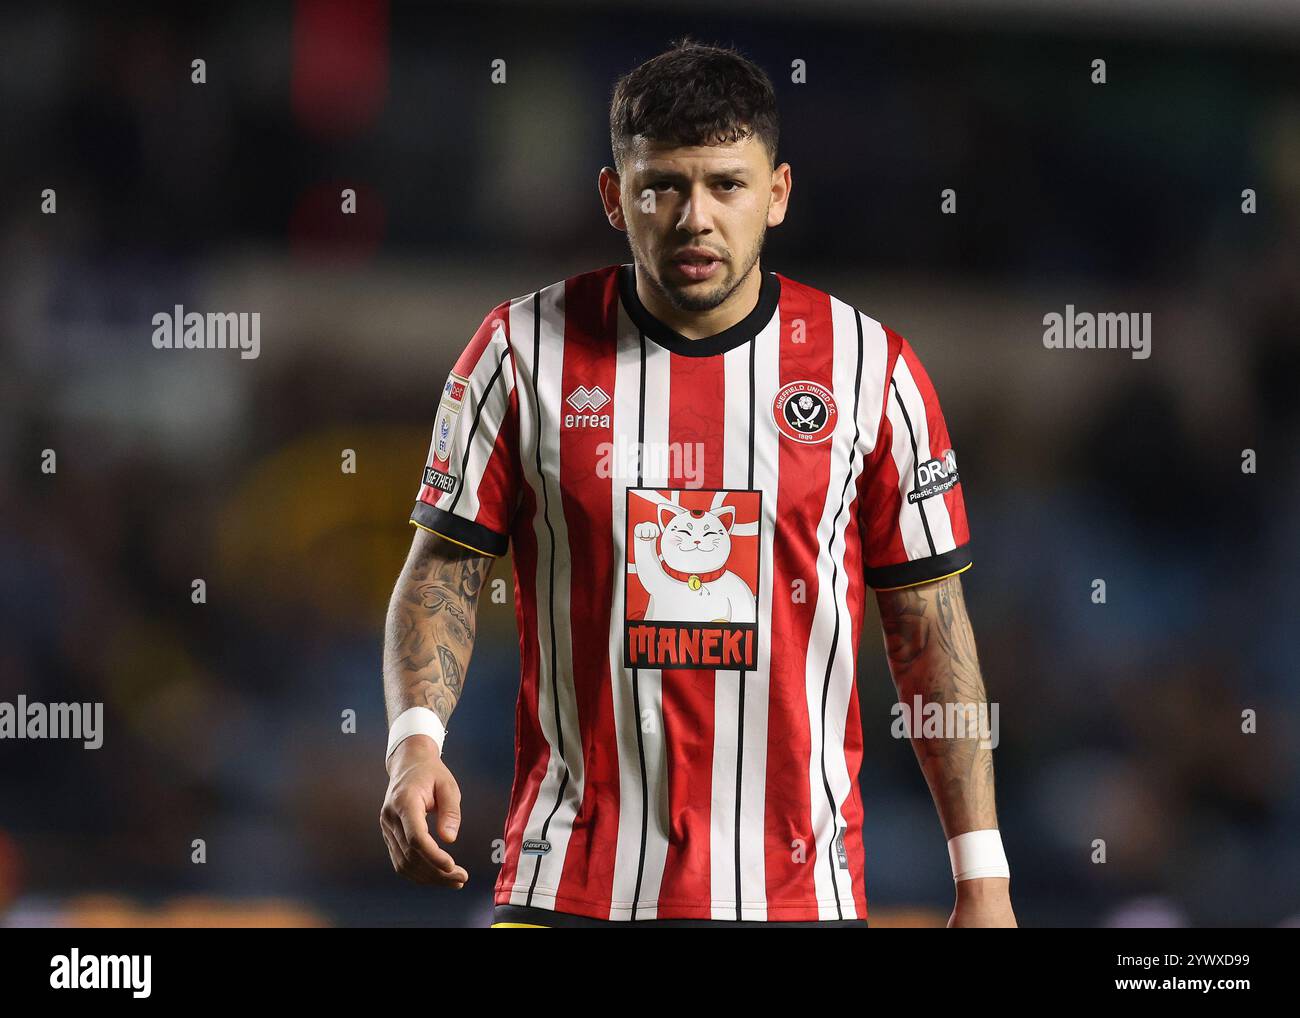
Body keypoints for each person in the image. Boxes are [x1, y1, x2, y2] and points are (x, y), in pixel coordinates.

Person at [380, 38, 1015, 928]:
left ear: (778, 194)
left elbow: (929, 629)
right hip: (568, 885)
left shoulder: (872, 370)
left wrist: (982, 876)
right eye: (662, 187)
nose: (694, 219)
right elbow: (443, 571)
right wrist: (414, 747)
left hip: (798, 897)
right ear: (615, 197)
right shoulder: (518, 353)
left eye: (727, 184)